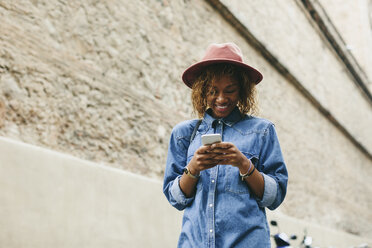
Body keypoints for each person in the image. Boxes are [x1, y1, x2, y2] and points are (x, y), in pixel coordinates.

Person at [163, 42, 288, 248]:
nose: (221, 98)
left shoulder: (262, 131)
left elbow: (275, 197)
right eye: (213, 91)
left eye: (230, 90)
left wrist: (244, 165)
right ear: (202, 91)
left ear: (242, 91)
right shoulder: (183, 135)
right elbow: (175, 199)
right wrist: (193, 168)